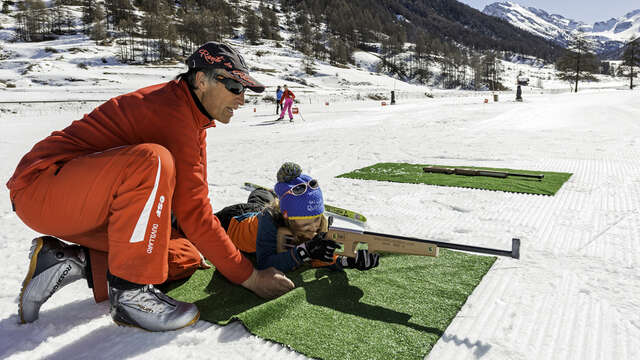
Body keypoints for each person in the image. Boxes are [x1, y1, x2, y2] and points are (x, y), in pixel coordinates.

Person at [8, 41, 294, 332]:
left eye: (244, 89)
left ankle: (72, 261)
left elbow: (194, 205)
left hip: (84, 200)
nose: (241, 99)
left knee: (184, 256)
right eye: (234, 86)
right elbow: (194, 213)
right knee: (154, 161)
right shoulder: (170, 113)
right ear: (201, 80)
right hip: (41, 187)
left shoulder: (191, 118)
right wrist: (251, 278)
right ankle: (131, 294)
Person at [217, 162, 379, 273]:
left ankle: (272, 196)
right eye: (306, 220)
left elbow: (321, 256)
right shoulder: (270, 220)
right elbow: (265, 263)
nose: (314, 226)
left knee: (263, 198)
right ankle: (269, 196)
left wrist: (349, 260)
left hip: (265, 208)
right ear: (288, 217)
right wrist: (304, 251)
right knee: (195, 228)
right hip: (234, 220)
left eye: (317, 218)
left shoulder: (318, 223)